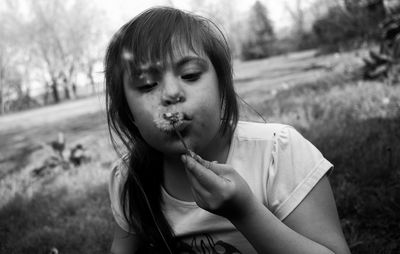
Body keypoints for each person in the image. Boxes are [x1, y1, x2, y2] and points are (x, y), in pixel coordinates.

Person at [105, 6, 351, 254]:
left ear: (221, 86)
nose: (170, 94)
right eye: (147, 85)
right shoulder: (129, 178)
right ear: (128, 113)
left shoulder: (277, 153)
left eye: (189, 75)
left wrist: (245, 212)